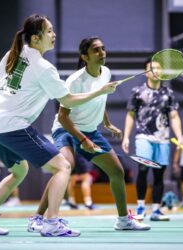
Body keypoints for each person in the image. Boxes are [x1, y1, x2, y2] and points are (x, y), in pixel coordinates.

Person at [0, 14, 117, 237]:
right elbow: (67, 101)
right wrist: (100, 91)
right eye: (49, 31)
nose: (54, 34)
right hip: (14, 126)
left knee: (19, 171)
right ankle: (52, 223)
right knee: (63, 167)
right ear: (36, 39)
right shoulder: (43, 67)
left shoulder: (13, 54)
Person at [28, 36, 150, 232]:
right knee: (64, 167)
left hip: (90, 131)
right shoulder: (75, 81)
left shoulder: (106, 72)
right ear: (85, 56)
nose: (102, 53)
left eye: (103, 48)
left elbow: (100, 99)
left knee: (117, 171)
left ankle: (123, 220)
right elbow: (63, 116)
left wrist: (108, 124)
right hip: (66, 129)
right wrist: (82, 140)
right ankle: (38, 218)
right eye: (96, 50)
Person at [122, 59, 183, 221]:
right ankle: (141, 207)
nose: (155, 71)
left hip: (162, 139)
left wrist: (180, 136)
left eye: (158, 68)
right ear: (146, 72)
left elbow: (174, 116)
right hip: (143, 136)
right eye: (152, 68)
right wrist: (126, 136)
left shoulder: (168, 93)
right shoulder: (138, 91)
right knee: (143, 169)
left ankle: (156, 210)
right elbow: (130, 114)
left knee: (159, 175)